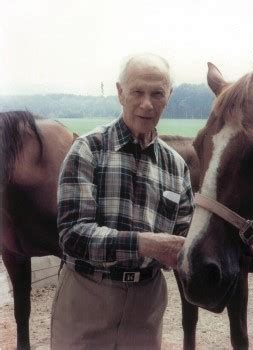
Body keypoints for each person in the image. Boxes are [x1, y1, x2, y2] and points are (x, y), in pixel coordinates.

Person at [51, 53, 194, 350]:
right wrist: (144, 243)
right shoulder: (87, 150)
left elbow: (184, 238)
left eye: (157, 93)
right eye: (137, 92)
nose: (147, 103)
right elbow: (72, 236)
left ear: (169, 96)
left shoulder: (176, 166)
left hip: (147, 303)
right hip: (87, 295)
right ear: (119, 93)